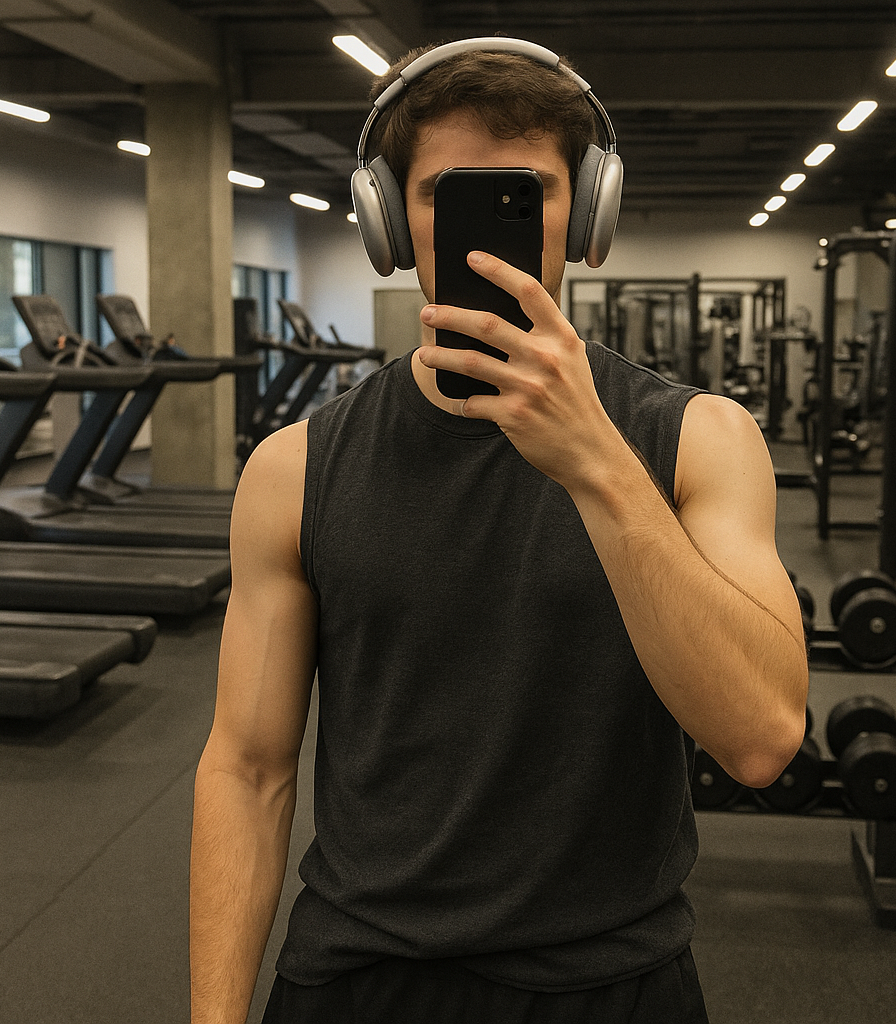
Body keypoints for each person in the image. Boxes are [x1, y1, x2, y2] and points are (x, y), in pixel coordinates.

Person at [189, 36, 809, 1024]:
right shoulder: (293, 466)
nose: (479, 235)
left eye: (521, 195)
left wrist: (594, 463)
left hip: (610, 981)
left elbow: (762, 738)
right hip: (359, 976)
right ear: (388, 224)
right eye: (441, 195)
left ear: (588, 215)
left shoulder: (698, 439)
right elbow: (248, 768)